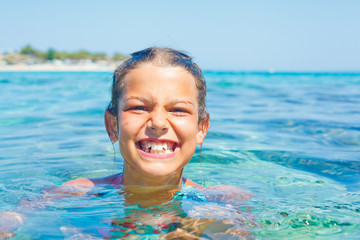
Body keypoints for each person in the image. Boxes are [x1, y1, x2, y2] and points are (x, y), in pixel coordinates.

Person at [0, 47, 252, 239]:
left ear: (201, 129)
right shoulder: (74, 193)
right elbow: (16, 215)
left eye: (177, 110)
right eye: (139, 107)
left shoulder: (224, 201)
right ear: (113, 125)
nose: (158, 123)